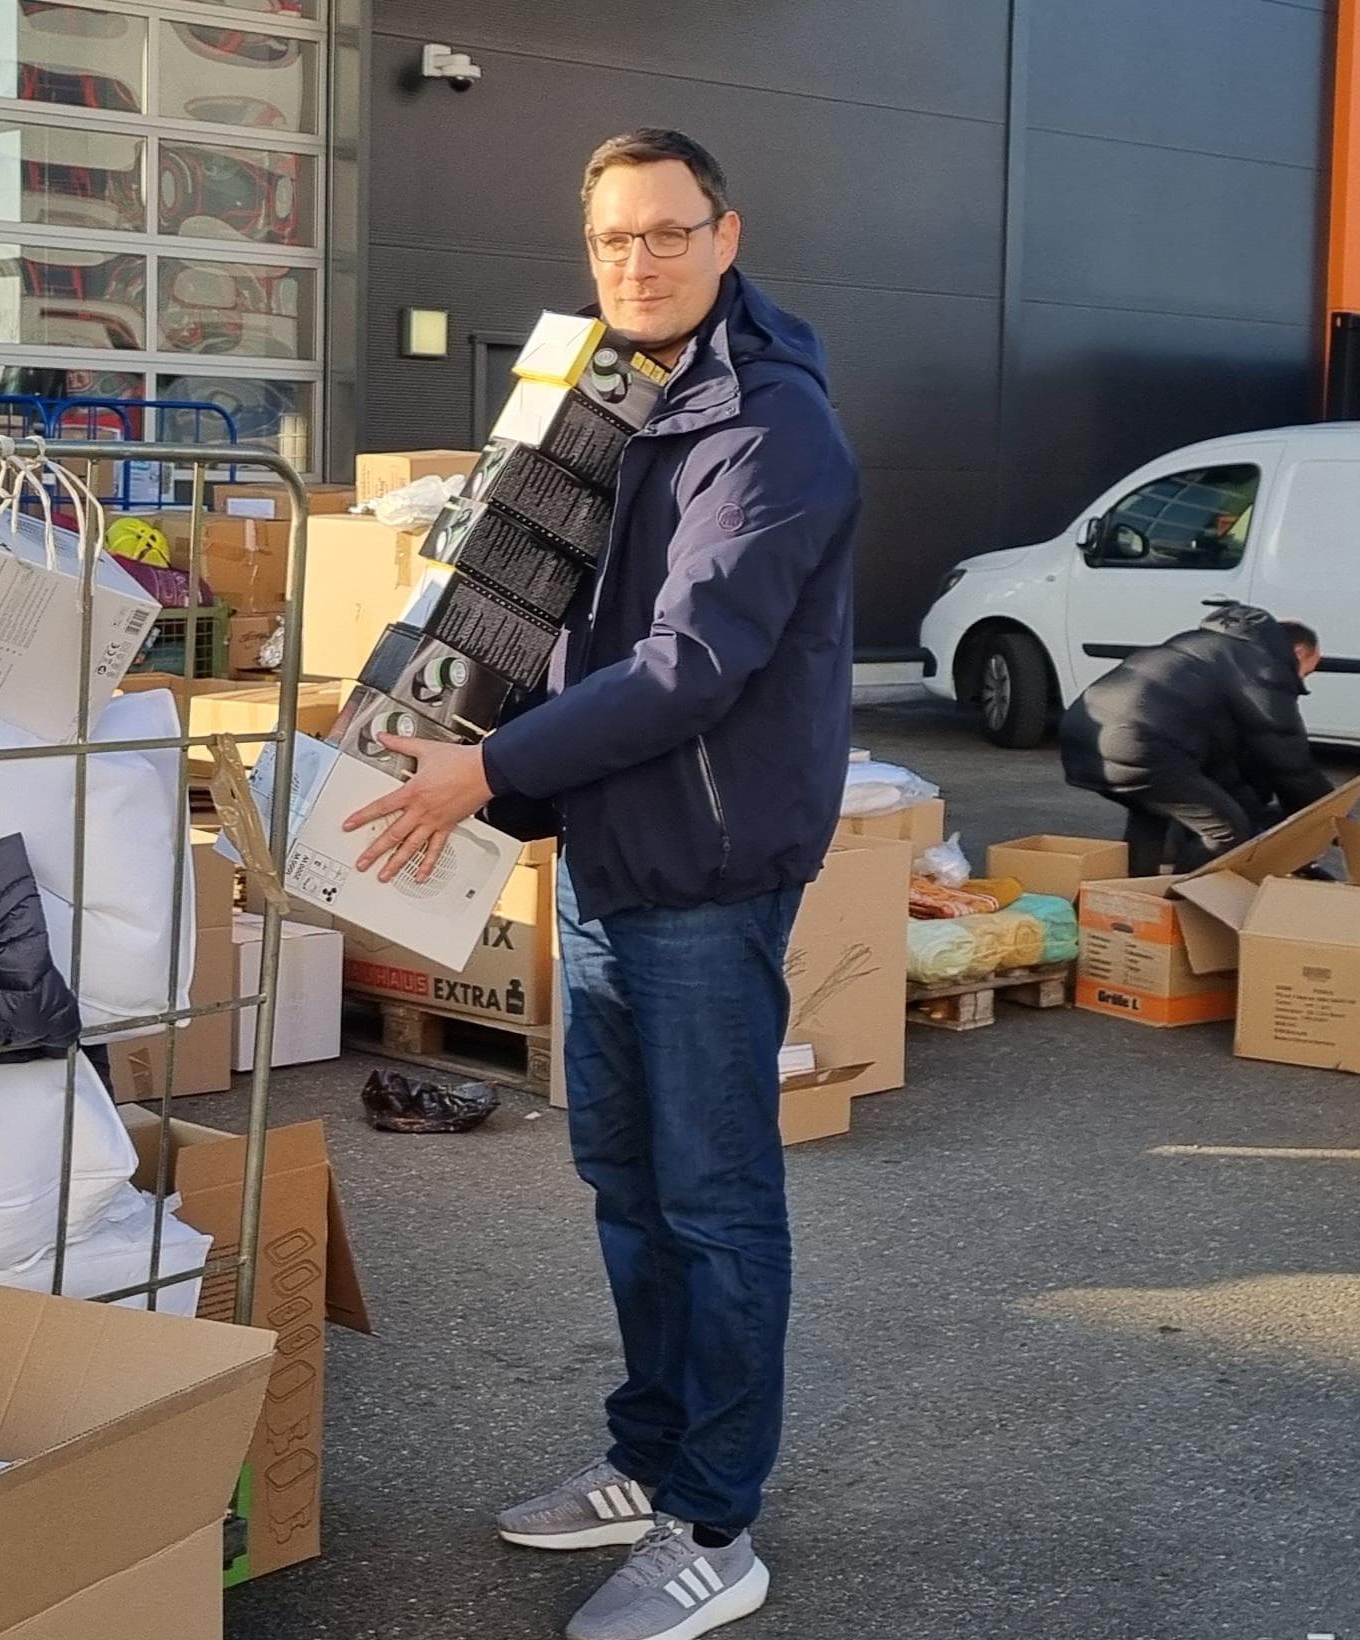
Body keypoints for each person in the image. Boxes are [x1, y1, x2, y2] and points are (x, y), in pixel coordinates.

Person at [342, 128, 858, 1640]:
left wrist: (482, 777)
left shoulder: (769, 427)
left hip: (701, 867)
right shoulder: (608, 396)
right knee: (625, 1190)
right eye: (611, 240)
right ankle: (647, 1462)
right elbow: (541, 607)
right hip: (604, 853)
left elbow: (688, 663)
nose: (636, 262)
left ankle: (715, 1521)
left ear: (725, 233)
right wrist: (416, 725)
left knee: (711, 1203)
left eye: (665, 233)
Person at [1056, 606, 1337, 873]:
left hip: (1084, 731)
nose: (1301, 682)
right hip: (1140, 742)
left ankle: (1128, 899)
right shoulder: (1264, 666)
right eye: (1307, 672)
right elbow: (1288, 762)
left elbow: (1221, 757)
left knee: (1152, 810)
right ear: (1299, 652)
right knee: (1226, 832)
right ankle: (1178, 906)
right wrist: (1328, 815)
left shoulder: (1204, 645)